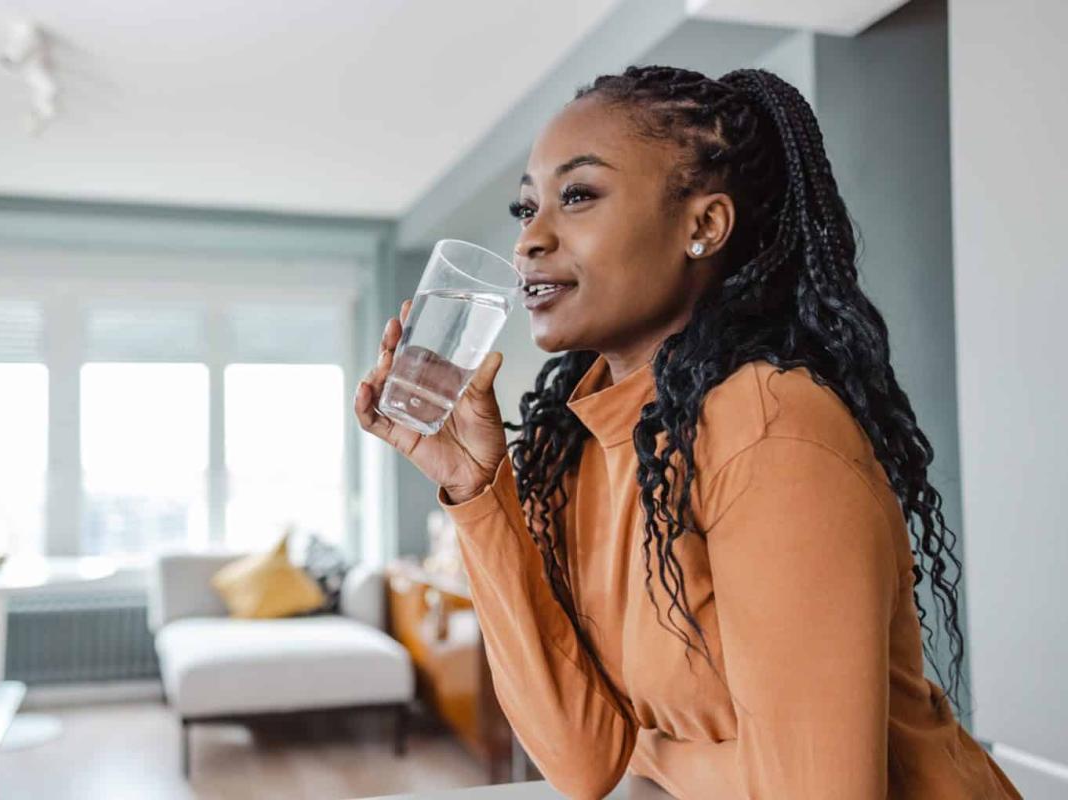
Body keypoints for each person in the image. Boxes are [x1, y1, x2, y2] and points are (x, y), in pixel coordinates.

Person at [355, 66, 1022, 800]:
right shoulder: (581, 445)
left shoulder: (772, 430)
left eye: (577, 196)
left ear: (703, 225)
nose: (530, 242)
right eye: (525, 208)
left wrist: (658, 755)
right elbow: (581, 762)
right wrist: (474, 486)